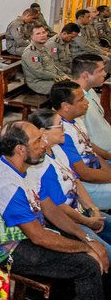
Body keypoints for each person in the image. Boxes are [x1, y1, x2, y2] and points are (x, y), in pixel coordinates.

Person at [0, 120, 111, 300]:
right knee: (88, 265)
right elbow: (38, 237)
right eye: (38, 140)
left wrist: (85, 237)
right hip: (8, 250)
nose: (44, 144)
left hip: (30, 233)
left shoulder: (28, 167)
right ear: (21, 149)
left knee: (97, 247)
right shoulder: (6, 184)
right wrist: (85, 248)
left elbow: (50, 209)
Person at [28, 108, 111, 256]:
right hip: (68, 222)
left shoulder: (58, 149)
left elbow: (76, 181)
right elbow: (59, 207)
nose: (64, 129)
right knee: (105, 252)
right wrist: (86, 221)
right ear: (43, 132)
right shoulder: (40, 164)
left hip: (82, 211)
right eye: (59, 125)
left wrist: (93, 208)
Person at [50, 80, 111, 210]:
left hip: (95, 174)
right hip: (85, 186)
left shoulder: (76, 120)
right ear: (66, 105)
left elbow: (90, 151)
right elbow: (84, 174)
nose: (87, 102)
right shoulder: (61, 133)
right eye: (81, 99)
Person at [72, 53, 111, 154]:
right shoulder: (74, 101)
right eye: (100, 70)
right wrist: (107, 156)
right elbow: (83, 141)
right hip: (103, 155)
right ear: (85, 75)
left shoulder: (90, 90)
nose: (104, 74)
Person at [21, 25, 70, 94]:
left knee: (75, 82)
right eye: (38, 34)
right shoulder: (30, 52)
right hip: (39, 82)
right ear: (31, 37)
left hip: (50, 78)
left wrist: (63, 75)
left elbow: (53, 65)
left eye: (43, 32)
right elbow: (39, 72)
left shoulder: (44, 47)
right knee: (68, 90)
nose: (42, 35)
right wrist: (60, 77)